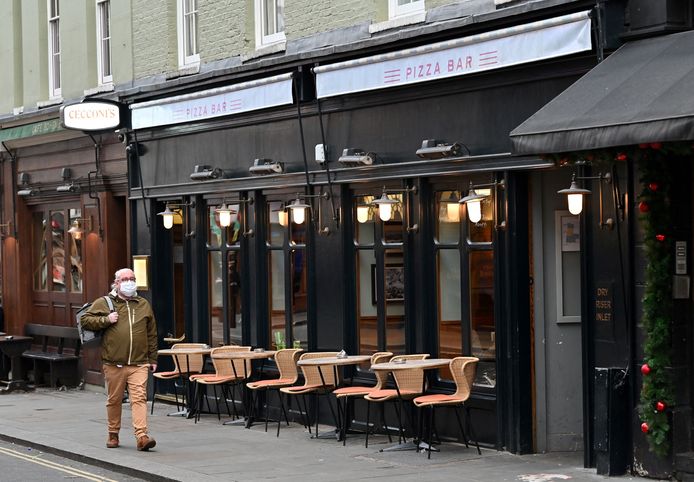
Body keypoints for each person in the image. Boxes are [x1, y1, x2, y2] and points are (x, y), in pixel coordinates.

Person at [80, 268, 158, 451]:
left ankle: (141, 436)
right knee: (114, 399)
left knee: (139, 398)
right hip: (114, 362)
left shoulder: (143, 304)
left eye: (132, 278)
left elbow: (151, 333)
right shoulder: (105, 302)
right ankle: (113, 433)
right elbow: (85, 320)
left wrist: (153, 358)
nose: (129, 282)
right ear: (116, 283)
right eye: (125, 279)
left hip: (139, 362)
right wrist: (106, 319)